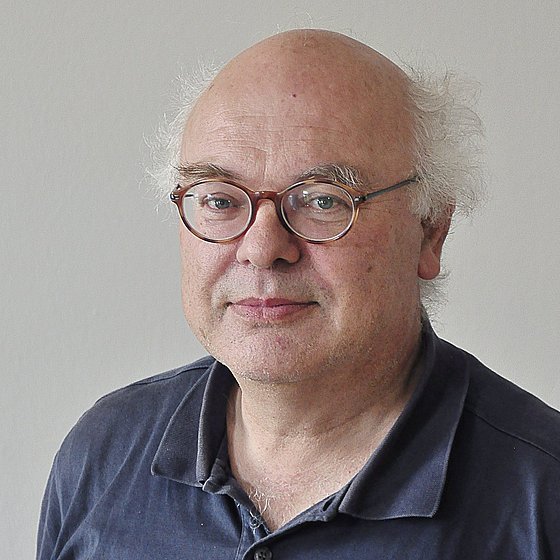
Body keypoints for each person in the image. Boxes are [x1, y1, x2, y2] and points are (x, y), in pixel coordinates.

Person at [37, 29, 560, 559]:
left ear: (430, 231)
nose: (263, 248)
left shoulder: (542, 500)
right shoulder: (103, 455)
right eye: (220, 200)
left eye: (323, 200)